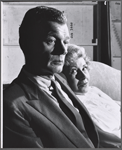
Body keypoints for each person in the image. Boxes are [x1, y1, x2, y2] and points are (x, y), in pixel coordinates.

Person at [3, 6, 99, 148]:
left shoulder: (60, 80)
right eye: (51, 41)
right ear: (25, 43)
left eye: (66, 42)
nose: (63, 50)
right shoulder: (11, 105)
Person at [62, 44, 121, 148]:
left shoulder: (92, 90)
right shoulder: (77, 107)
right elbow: (113, 140)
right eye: (74, 71)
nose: (83, 76)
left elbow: (117, 106)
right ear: (62, 77)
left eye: (84, 68)